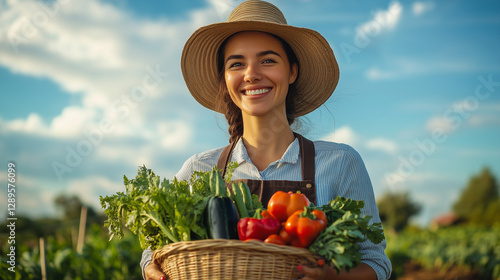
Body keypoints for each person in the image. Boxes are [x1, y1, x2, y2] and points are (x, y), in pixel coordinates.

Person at [141, 1, 392, 279]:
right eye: (236, 64)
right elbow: (153, 253)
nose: (251, 74)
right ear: (225, 79)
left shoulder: (340, 163)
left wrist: (333, 278)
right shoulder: (200, 168)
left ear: (292, 71)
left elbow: (375, 262)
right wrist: (150, 268)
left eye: (268, 60)